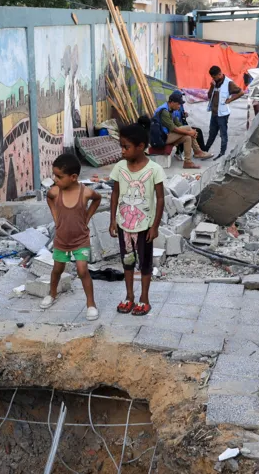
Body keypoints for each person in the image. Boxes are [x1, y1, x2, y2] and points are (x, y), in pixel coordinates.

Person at [109, 117, 166, 316]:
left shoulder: (154, 170)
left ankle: (144, 298)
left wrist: (155, 226)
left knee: (145, 263)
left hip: (144, 227)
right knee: (127, 261)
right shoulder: (119, 167)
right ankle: (129, 296)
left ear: (141, 146)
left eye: (126, 147)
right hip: (124, 226)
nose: (122, 151)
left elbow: (160, 198)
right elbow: (115, 194)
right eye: (121, 147)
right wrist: (112, 220)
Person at [42, 154, 102, 320]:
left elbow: (98, 199)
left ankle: (91, 304)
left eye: (59, 176)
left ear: (73, 177)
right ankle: (52, 294)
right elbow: (49, 198)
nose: (55, 180)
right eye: (54, 175)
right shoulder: (55, 191)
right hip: (61, 240)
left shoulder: (85, 192)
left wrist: (87, 217)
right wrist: (56, 217)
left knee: (83, 270)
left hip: (80, 239)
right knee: (57, 269)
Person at [152, 91, 210, 169]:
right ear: (172, 102)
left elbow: (179, 124)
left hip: (168, 136)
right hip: (161, 138)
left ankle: (187, 162)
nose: (180, 106)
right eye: (178, 104)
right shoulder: (164, 111)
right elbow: (173, 128)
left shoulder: (171, 110)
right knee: (189, 129)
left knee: (187, 138)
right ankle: (198, 151)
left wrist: (191, 133)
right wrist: (190, 132)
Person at [204, 65, 244, 158]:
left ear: (219, 74)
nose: (213, 79)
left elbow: (241, 92)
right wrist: (211, 86)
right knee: (212, 133)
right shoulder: (215, 83)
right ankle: (205, 151)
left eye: (214, 77)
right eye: (212, 77)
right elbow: (209, 96)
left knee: (223, 134)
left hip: (223, 114)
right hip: (214, 113)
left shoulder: (229, 83)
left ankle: (222, 153)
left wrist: (230, 100)